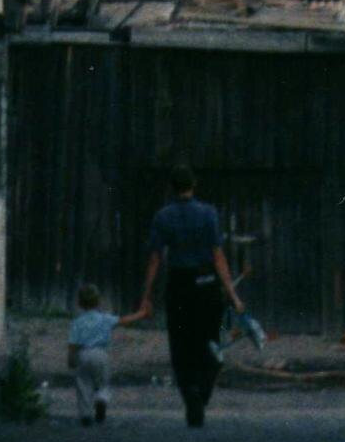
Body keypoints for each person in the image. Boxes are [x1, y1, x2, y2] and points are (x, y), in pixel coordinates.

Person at [122, 164, 244, 427]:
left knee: (181, 345)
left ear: (172, 188)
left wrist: (146, 294)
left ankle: (190, 393)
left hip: (179, 284)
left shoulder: (163, 216)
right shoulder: (208, 213)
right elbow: (218, 256)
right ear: (193, 185)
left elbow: (155, 258)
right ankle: (203, 389)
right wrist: (232, 293)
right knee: (210, 341)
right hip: (207, 283)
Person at [66, 283, 117, 426]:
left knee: (83, 384)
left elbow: (73, 345)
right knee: (103, 383)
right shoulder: (105, 318)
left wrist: (70, 359)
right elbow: (124, 320)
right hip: (101, 354)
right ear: (98, 301)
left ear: (80, 303)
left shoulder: (77, 322)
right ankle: (101, 399)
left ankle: (85, 414)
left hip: (83, 354)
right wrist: (142, 313)